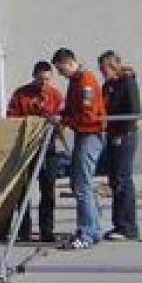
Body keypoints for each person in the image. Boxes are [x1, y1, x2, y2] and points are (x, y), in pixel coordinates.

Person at [51, 48, 106, 250]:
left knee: (82, 185)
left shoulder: (85, 82)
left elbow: (89, 116)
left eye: (60, 69)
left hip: (90, 135)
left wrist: (64, 120)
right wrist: (60, 115)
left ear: (68, 63)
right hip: (82, 135)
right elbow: (74, 109)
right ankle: (93, 229)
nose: (60, 74)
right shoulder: (75, 81)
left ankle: (87, 233)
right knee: (78, 183)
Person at [5, 61, 64, 243]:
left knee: (48, 190)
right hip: (26, 148)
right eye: (40, 79)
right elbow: (11, 119)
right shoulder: (21, 94)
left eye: (47, 79)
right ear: (34, 76)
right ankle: (24, 231)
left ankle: (47, 231)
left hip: (48, 148)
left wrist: (52, 119)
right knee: (23, 190)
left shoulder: (55, 95)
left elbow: (63, 121)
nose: (43, 84)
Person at [99, 51, 142, 241]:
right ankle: (118, 225)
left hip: (125, 136)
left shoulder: (127, 82)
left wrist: (121, 133)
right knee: (114, 180)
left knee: (123, 179)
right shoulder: (108, 86)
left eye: (104, 69)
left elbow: (134, 111)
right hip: (111, 135)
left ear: (113, 66)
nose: (102, 73)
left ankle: (128, 227)